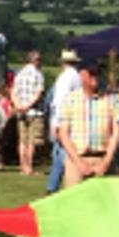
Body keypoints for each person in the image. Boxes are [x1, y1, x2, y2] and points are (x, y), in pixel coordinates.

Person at [55, 60, 119, 190]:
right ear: (82, 75)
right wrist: (79, 162)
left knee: (105, 205)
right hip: (76, 159)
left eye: (98, 73)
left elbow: (116, 132)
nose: (96, 77)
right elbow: (63, 133)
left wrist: (106, 161)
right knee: (75, 204)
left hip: (103, 158)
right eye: (92, 73)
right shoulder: (70, 100)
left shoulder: (113, 99)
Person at [46, 49, 83, 192]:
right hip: (73, 118)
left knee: (60, 154)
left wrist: (56, 123)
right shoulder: (77, 77)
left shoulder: (64, 78)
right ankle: (53, 186)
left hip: (63, 118)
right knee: (62, 154)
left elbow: (59, 101)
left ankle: (53, 186)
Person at [12, 51, 47, 175]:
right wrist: (27, 106)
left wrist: (18, 106)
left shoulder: (19, 74)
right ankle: (29, 167)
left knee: (22, 140)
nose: (41, 62)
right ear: (35, 61)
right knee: (32, 141)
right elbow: (39, 94)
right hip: (34, 111)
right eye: (39, 60)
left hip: (20, 111)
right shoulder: (38, 75)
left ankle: (23, 167)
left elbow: (13, 93)